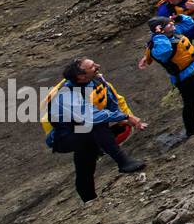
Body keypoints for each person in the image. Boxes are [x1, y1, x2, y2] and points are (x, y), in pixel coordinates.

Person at [42, 58, 147, 203]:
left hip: (83, 131)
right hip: (64, 137)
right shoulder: (67, 95)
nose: (98, 66)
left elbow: (112, 102)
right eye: (92, 66)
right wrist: (127, 116)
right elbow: (92, 116)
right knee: (96, 126)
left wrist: (124, 118)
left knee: (86, 160)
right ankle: (123, 162)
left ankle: (89, 199)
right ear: (81, 76)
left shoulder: (97, 81)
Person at [139, 15, 194, 137]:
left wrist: (179, 18)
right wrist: (159, 35)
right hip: (182, 78)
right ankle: (190, 129)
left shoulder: (173, 32)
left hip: (192, 70)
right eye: (169, 24)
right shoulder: (158, 44)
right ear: (160, 29)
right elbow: (165, 52)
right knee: (189, 102)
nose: (172, 24)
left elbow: (190, 24)